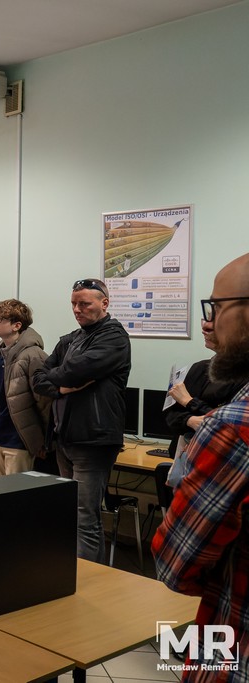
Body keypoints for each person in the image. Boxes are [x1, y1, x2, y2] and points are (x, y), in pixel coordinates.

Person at [153, 253, 249, 675]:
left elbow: (176, 565)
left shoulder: (234, 425)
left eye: (216, 307)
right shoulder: (197, 371)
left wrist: (192, 409)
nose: (210, 323)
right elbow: (172, 417)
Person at [32, 278, 131, 564]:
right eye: (74, 304)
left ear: (104, 303)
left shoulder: (114, 338)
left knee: (85, 517)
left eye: (84, 304)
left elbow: (75, 370)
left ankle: (89, 581)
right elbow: (38, 378)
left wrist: (61, 375)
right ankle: (70, 573)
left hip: (93, 439)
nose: (77, 309)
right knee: (70, 514)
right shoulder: (71, 339)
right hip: (64, 437)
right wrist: (62, 388)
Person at [162, 316, 243, 471]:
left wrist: (189, 402)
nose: (204, 329)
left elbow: (229, 426)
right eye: (205, 320)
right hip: (186, 460)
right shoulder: (198, 369)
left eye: (215, 323)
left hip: (223, 464)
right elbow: (170, 416)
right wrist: (189, 420)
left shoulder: (242, 378)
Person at [0, 299, 50, 476]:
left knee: (15, 492)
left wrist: (44, 440)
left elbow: (44, 402)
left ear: (16, 325)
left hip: (18, 440)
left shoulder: (34, 355)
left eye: (0, 319)